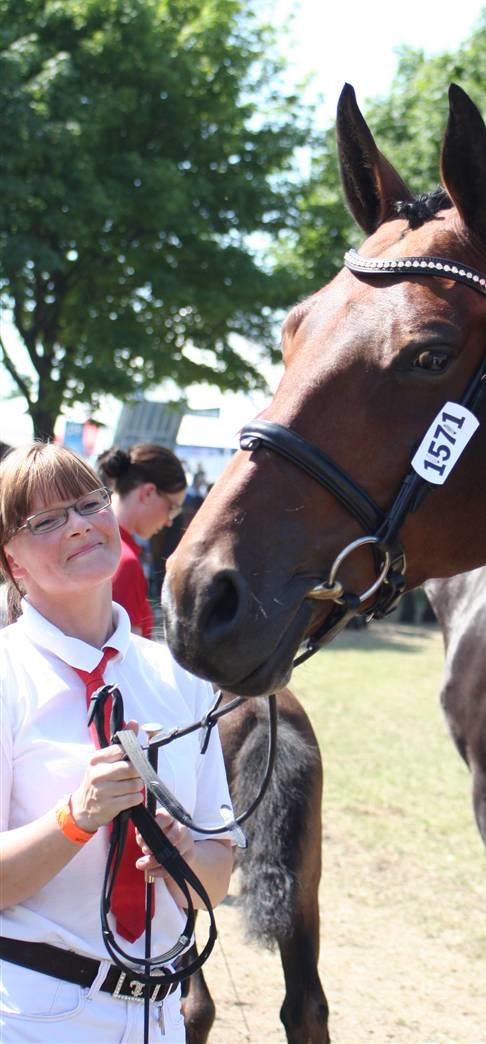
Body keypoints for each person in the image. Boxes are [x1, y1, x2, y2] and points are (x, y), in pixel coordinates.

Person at [0, 442, 233, 1042]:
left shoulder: (181, 677)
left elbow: (217, 878)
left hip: (163, 1016)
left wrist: (182, 851)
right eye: (46, 520)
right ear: (12, 561)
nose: (78, 524)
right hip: (34, 1016)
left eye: (87, 504)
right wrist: (76, 817)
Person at [97, 444, 187, 638]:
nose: (170, 521)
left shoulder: (94, 543)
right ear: (148, 493)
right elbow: (126, 659)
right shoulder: (124, 560)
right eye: (172, 507)